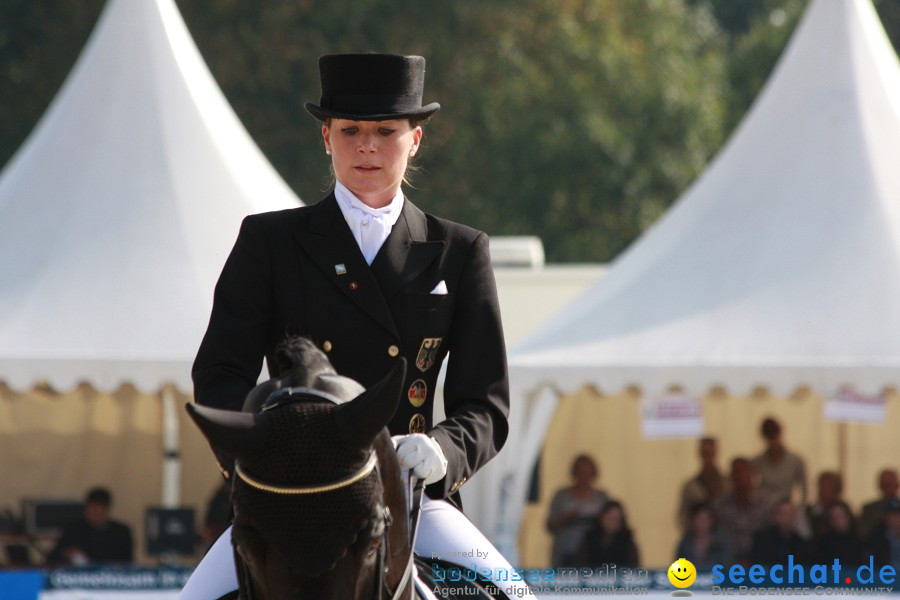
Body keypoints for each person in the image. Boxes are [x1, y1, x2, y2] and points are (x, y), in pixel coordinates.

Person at [183, 53, 522, 599]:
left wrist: (443, 449)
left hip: (407, 494)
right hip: (284, 497)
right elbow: (221, 373)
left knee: (518, 595)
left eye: (386, 131)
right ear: (326, 137)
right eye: (351, 130)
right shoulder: (269, 242)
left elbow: (486, 401)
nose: (367, 145)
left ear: (415, 140)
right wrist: (259, 454)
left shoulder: (459, 252)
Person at [546, 454, 609, 567]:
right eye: (580, 471)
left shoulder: (602, 497)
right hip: (565, 552)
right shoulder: (561, 495)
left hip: (594, 553)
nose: (583, 475)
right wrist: (566, 518)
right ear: (574, 473)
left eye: (587, 472)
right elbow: (549, 525)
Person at [47, 487, 133, 566]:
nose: (94, 516)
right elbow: (53, 556)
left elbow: (127, 560)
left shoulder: (121, 532)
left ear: (106, 510)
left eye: (98, 513)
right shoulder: (73, 529)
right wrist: (67, 553)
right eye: (90, 512)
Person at [714, 457, 771, 564]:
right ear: (731, 476)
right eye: (736, 472)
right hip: (728, 561)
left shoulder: (764, 502)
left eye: (743, 471)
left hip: (759, 561)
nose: (740, 476)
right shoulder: (721, 504)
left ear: (751, 475)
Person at [751, 417, 807, 506]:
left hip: (787, 509)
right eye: (769, 435)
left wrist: (799, 509)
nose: (772, 440)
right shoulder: (757, 461)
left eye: (774, 434)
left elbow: (805, 489)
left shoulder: (796, 461)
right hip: (763, 509)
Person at [678, 437, 726, 531]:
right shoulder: (690, 486)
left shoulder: (727, 483)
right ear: (700, 454)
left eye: (710, 453)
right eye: (705, 453)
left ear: (715, 453)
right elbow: (683, 515)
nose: (707, 457)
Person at [577, 500, 640, 568]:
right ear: (601, 517)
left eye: (617, 519)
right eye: (610, 518)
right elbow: (580, 564)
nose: (612, 523)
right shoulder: (589, 539)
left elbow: (633, 567)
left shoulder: (627, 542)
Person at [749, 499, 809, 566]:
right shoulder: (762, 538)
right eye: (783, 513)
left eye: (790, 513)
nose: (786, 517)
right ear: (775, 516)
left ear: (795, 516)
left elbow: (802, 566)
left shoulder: (799, 542)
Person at [674, 502, 733, 570]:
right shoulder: (685, 543)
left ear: (712, 520)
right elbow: (679, 567)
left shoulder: (722, 542)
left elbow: (727, 566)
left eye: (705, 518)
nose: (702, 522)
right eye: (699, 518)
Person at [811, 500, 864, 567]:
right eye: (834, 517)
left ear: (849, 516)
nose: (838, 520)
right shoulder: (823, 543)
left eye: (841, 515)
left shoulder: (861, 541)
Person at [804, 470, 843, 541]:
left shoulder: (844, 512)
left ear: (837, 491)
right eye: (820, 488)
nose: (821, 492)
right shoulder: (811, 511)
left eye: (826, 489)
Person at [859, 468, 899, 538]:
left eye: (890, 483)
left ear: (897, 485)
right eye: (884, 484)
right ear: (880, 486)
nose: (887, 487)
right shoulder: (869, 509)